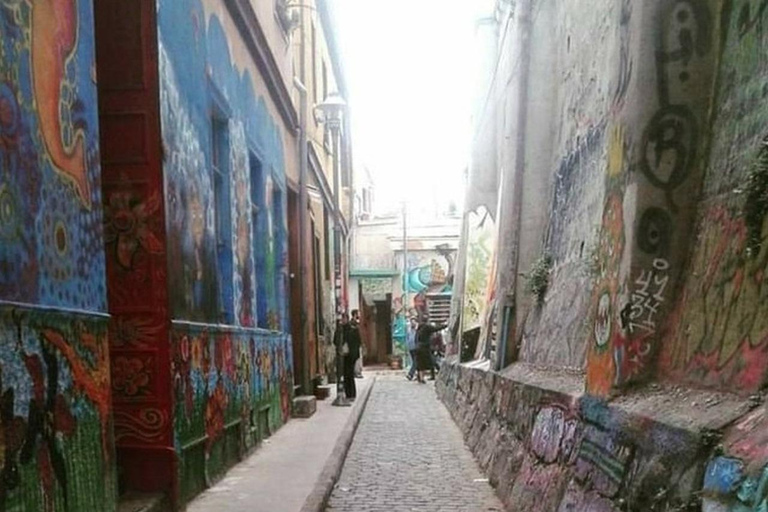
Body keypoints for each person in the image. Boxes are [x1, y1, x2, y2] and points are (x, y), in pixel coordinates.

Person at [415, 317, 446, 383]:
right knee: (429, 362)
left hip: (418, 347)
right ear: (427, 321)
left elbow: (416, 338)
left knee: (420, 364)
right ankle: (423, 378)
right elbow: (436, 328)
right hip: (424, 348)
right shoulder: (427, 327)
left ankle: (421, 377)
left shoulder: (419, 328)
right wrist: (446, 325)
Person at [345, 311, 361, 399]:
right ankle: (349, 393)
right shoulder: (351, 326)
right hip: (347, 355)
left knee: (349, 374)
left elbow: (357, 341)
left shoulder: (353, 327)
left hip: (351, 355)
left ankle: (351, 394)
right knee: (348, 374)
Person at [351, 309, 364, 378]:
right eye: (358, 314)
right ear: (355, 314)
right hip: (354, 345)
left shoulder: (356, 323)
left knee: (357, 358)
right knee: (355, 359)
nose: (359, 315)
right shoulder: (353, 323)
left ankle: (357, 372)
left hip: (356, 344)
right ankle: (355, 372)